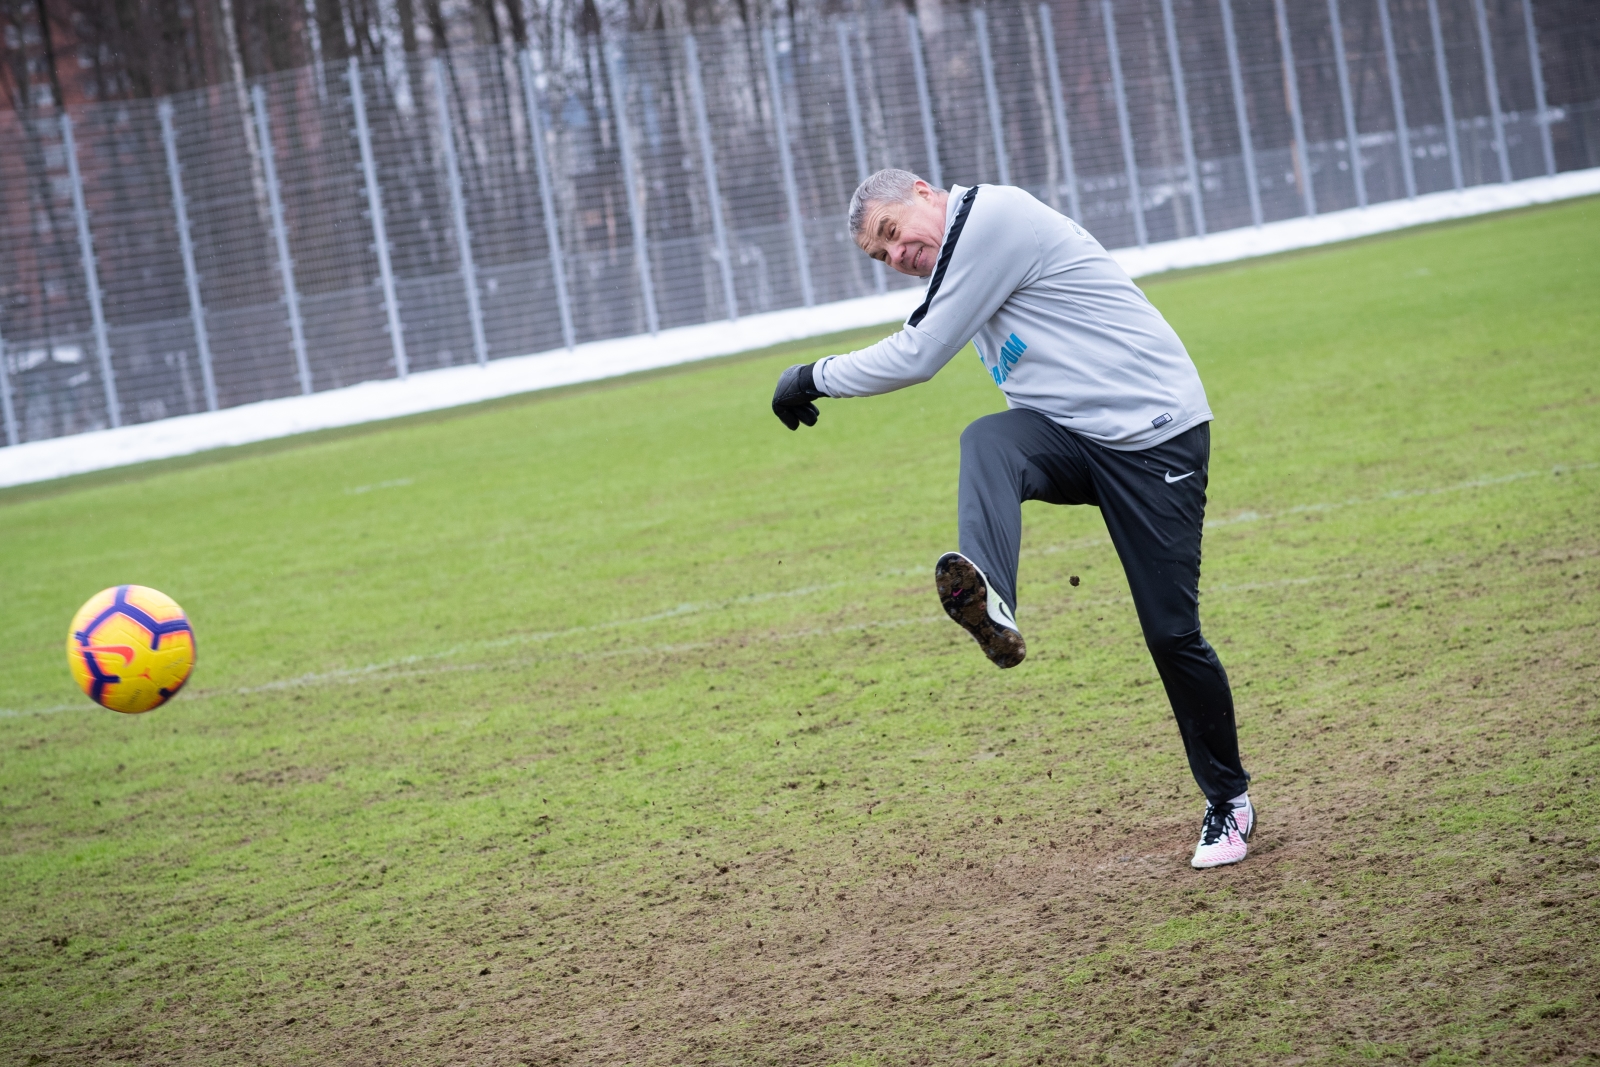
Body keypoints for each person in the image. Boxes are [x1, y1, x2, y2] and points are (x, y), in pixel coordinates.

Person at [770, 170, 1253, 869]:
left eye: (891, 233)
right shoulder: (963, 262)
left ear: (922, 190)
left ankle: (1230, 802)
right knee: (988, 441)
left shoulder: (993, 220)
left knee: (1172, 633)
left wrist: (810, 375)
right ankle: (991, 597)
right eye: (881, 257)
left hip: (1155, 441)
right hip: (1082, 441)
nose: (895, 256)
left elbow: (919, 352)